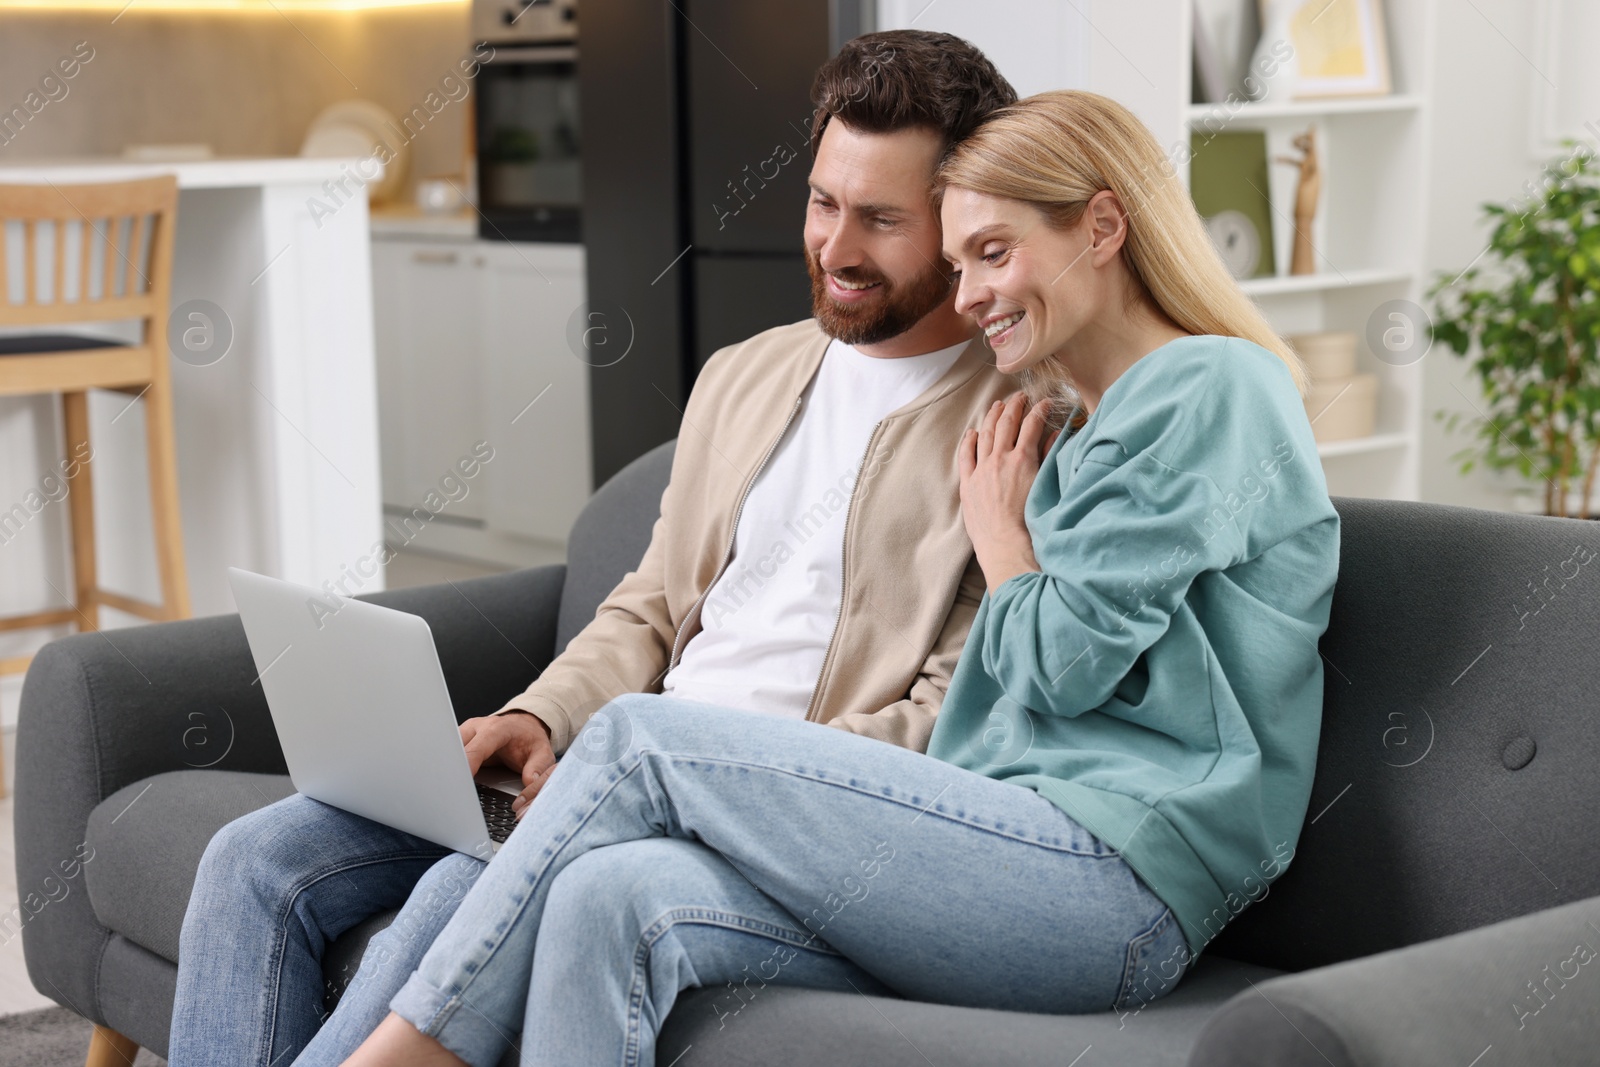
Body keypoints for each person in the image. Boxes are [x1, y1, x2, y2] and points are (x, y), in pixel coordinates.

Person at [333, 88, 1342, 1067]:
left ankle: (407, 1052)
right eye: (956, 262)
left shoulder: (1209, 386)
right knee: (613, 895)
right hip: (993, 851)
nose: (972, 291)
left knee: (641, 739)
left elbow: (1064, 667)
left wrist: (1000, 536)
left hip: (1116, 882)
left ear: (1104, 225)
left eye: (995, 252)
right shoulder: (1066, 426)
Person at [166, 30, 1022, 1067]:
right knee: (255, 853)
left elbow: (949, 715)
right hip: (607, 759)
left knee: (456, 883)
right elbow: (652, 601)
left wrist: (698, 779)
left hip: (750, 806)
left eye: (882, 220)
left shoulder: (1011, 432)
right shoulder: (747, 374)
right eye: (822, 203)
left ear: (968, 222)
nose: (836, 248)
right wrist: (542, 714)